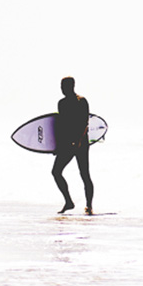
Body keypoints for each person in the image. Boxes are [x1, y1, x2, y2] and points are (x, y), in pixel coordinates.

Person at [52, 76, 94, 214]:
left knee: (84, 174)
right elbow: (62, 126)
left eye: (64, 86)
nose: (62, 89)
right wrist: (57, 146)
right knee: (56, 172)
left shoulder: (81, 101)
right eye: (61, 86)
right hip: (67, 144)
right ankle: (68, 201)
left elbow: (84, 123)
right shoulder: (62, 103)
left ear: (71, 86)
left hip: (81, 144)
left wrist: (78, 141)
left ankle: (89, 206)